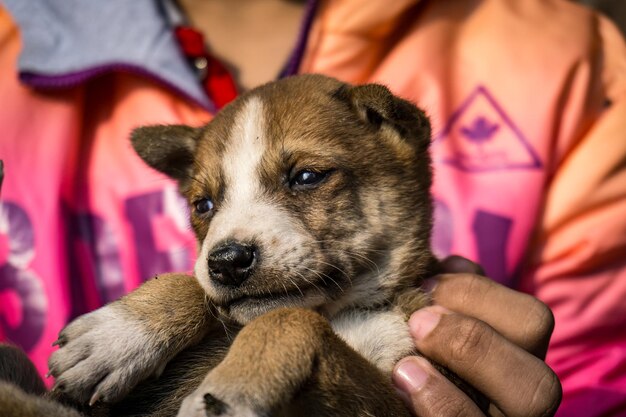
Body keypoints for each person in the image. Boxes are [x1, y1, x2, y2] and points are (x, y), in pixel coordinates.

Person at [0, 0, 624, 415]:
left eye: (304, 177)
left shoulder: (561, 65)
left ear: (393, 134)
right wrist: (173, 305)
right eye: (207, 204)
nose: (227, 243)